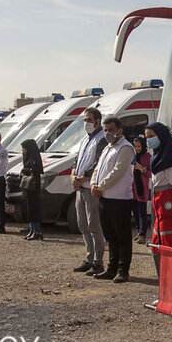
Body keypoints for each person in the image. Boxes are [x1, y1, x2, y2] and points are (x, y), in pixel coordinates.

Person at [90, 117, 136, 281]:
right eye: (106, 130)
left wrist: (101, 186)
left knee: (122, 236)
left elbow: (118, 171)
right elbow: (98, 168)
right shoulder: (107, 148)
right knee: (110, 236)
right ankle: (111, 268)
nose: (108, 133)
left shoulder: (126, 148)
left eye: (111, 130)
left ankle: (123, 270)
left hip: (120, 199)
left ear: (119, 130)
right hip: (104, 198)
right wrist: (94, 184)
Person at [71, 108, 108, 274]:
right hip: (80, 188)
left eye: (89, 120)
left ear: (98, 121)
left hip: (90, 188)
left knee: (94, 225)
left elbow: (98, 163)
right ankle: (89, 257)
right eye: (85, 120)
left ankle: (98, 262)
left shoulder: (102, 139)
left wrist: (84, 178)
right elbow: (76, 160)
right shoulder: (85, 140)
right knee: (83, 225)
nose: (86, 123)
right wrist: (73, 176)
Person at [145, 122, 172, 261]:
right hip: (159, 208)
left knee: (171, 242)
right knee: (158, 242)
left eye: (152, 136)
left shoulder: (169, 159)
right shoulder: (156, 158)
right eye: (147, 137)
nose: (149, 140)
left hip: (170, 209)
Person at [20, 138, 44, 240]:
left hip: (33, 186)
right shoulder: (27, 157)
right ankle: (32, 229)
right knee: (29, 208)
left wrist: (24, 170)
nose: (23, 151)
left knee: (34, 208)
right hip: (28, 187)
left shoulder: (34, 157)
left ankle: (37, 231)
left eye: (24, 148)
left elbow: (35, 169)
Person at [130, 134, 151, 244]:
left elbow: (151, 173)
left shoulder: (147, 156)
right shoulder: (132, 156)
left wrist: (141, 169)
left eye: (139, 146)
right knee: (135, 212)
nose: (137, 148)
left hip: (142, 188)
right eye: (135, 146)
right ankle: (139, 231)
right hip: (132, 189)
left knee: (142, 212)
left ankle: (143, 234)